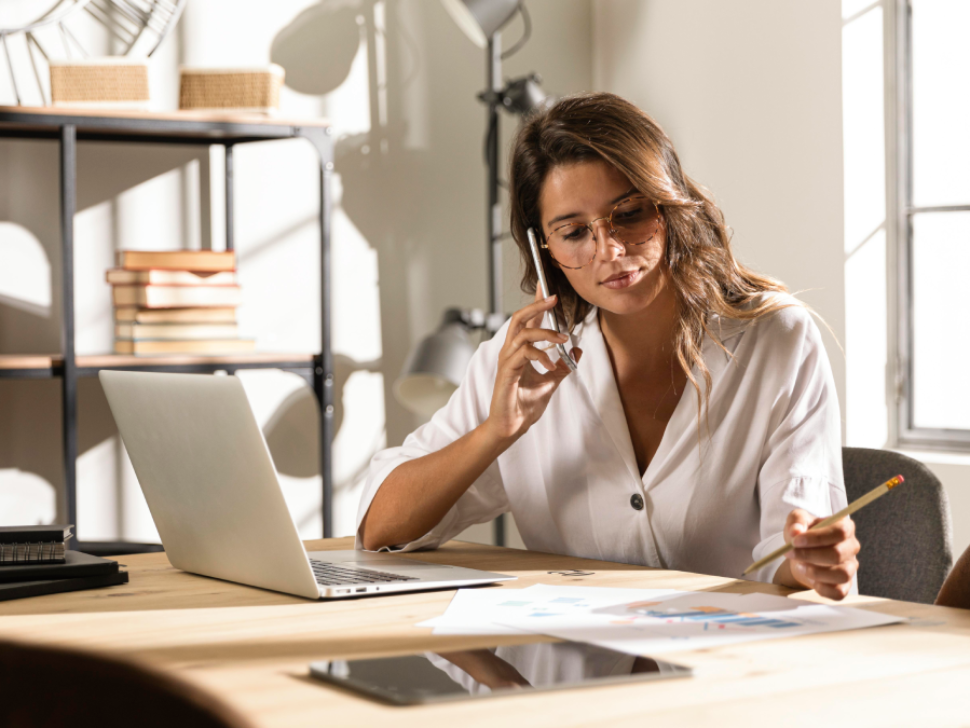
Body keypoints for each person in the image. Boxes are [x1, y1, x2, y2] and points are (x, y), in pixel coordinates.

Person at [357, 92, 859, 600]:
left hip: (728, 661)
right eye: (574, 232)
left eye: (630, 213)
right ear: (544, 249)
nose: (610, 250)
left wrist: (811, 561)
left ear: (668, 205)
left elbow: (794, 552)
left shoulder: (775, 341)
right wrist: (496, 432)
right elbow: (379, 531)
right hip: (570, 669)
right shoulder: (523, 362)